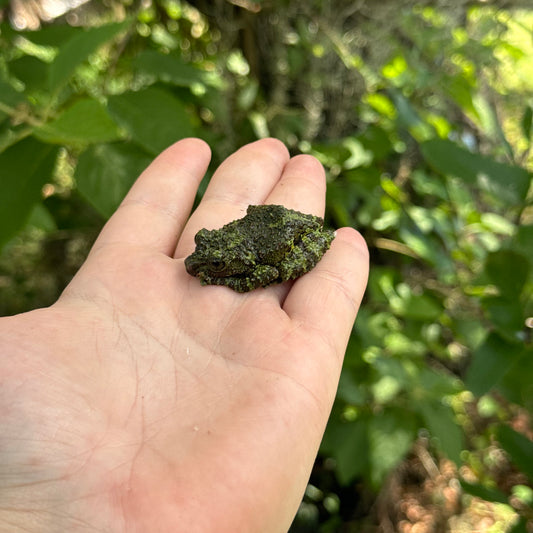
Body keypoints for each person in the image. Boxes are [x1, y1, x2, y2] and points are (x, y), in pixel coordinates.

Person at [0, 138, 369, 532]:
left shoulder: (241, 261)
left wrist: (241, 278)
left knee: (288, 258)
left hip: (292, 236)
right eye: (201, 253)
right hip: (263, 224)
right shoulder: (219, 246)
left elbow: (258, 272)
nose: (195, 266)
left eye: (209, 263)